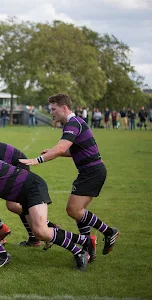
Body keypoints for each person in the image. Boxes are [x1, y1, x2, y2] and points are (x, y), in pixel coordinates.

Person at [19, 93, 119, 262]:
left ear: (64, 108)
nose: (51, 113)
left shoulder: (72, 123)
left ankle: (109, 232)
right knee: (79, 212)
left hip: (92, 172)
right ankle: (88, 249)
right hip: (92, 171)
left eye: (53, 109)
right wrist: (53, 152)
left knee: (73, 210)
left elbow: (61, 147)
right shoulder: (74, 123)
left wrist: (38, 160)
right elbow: (74, 150)